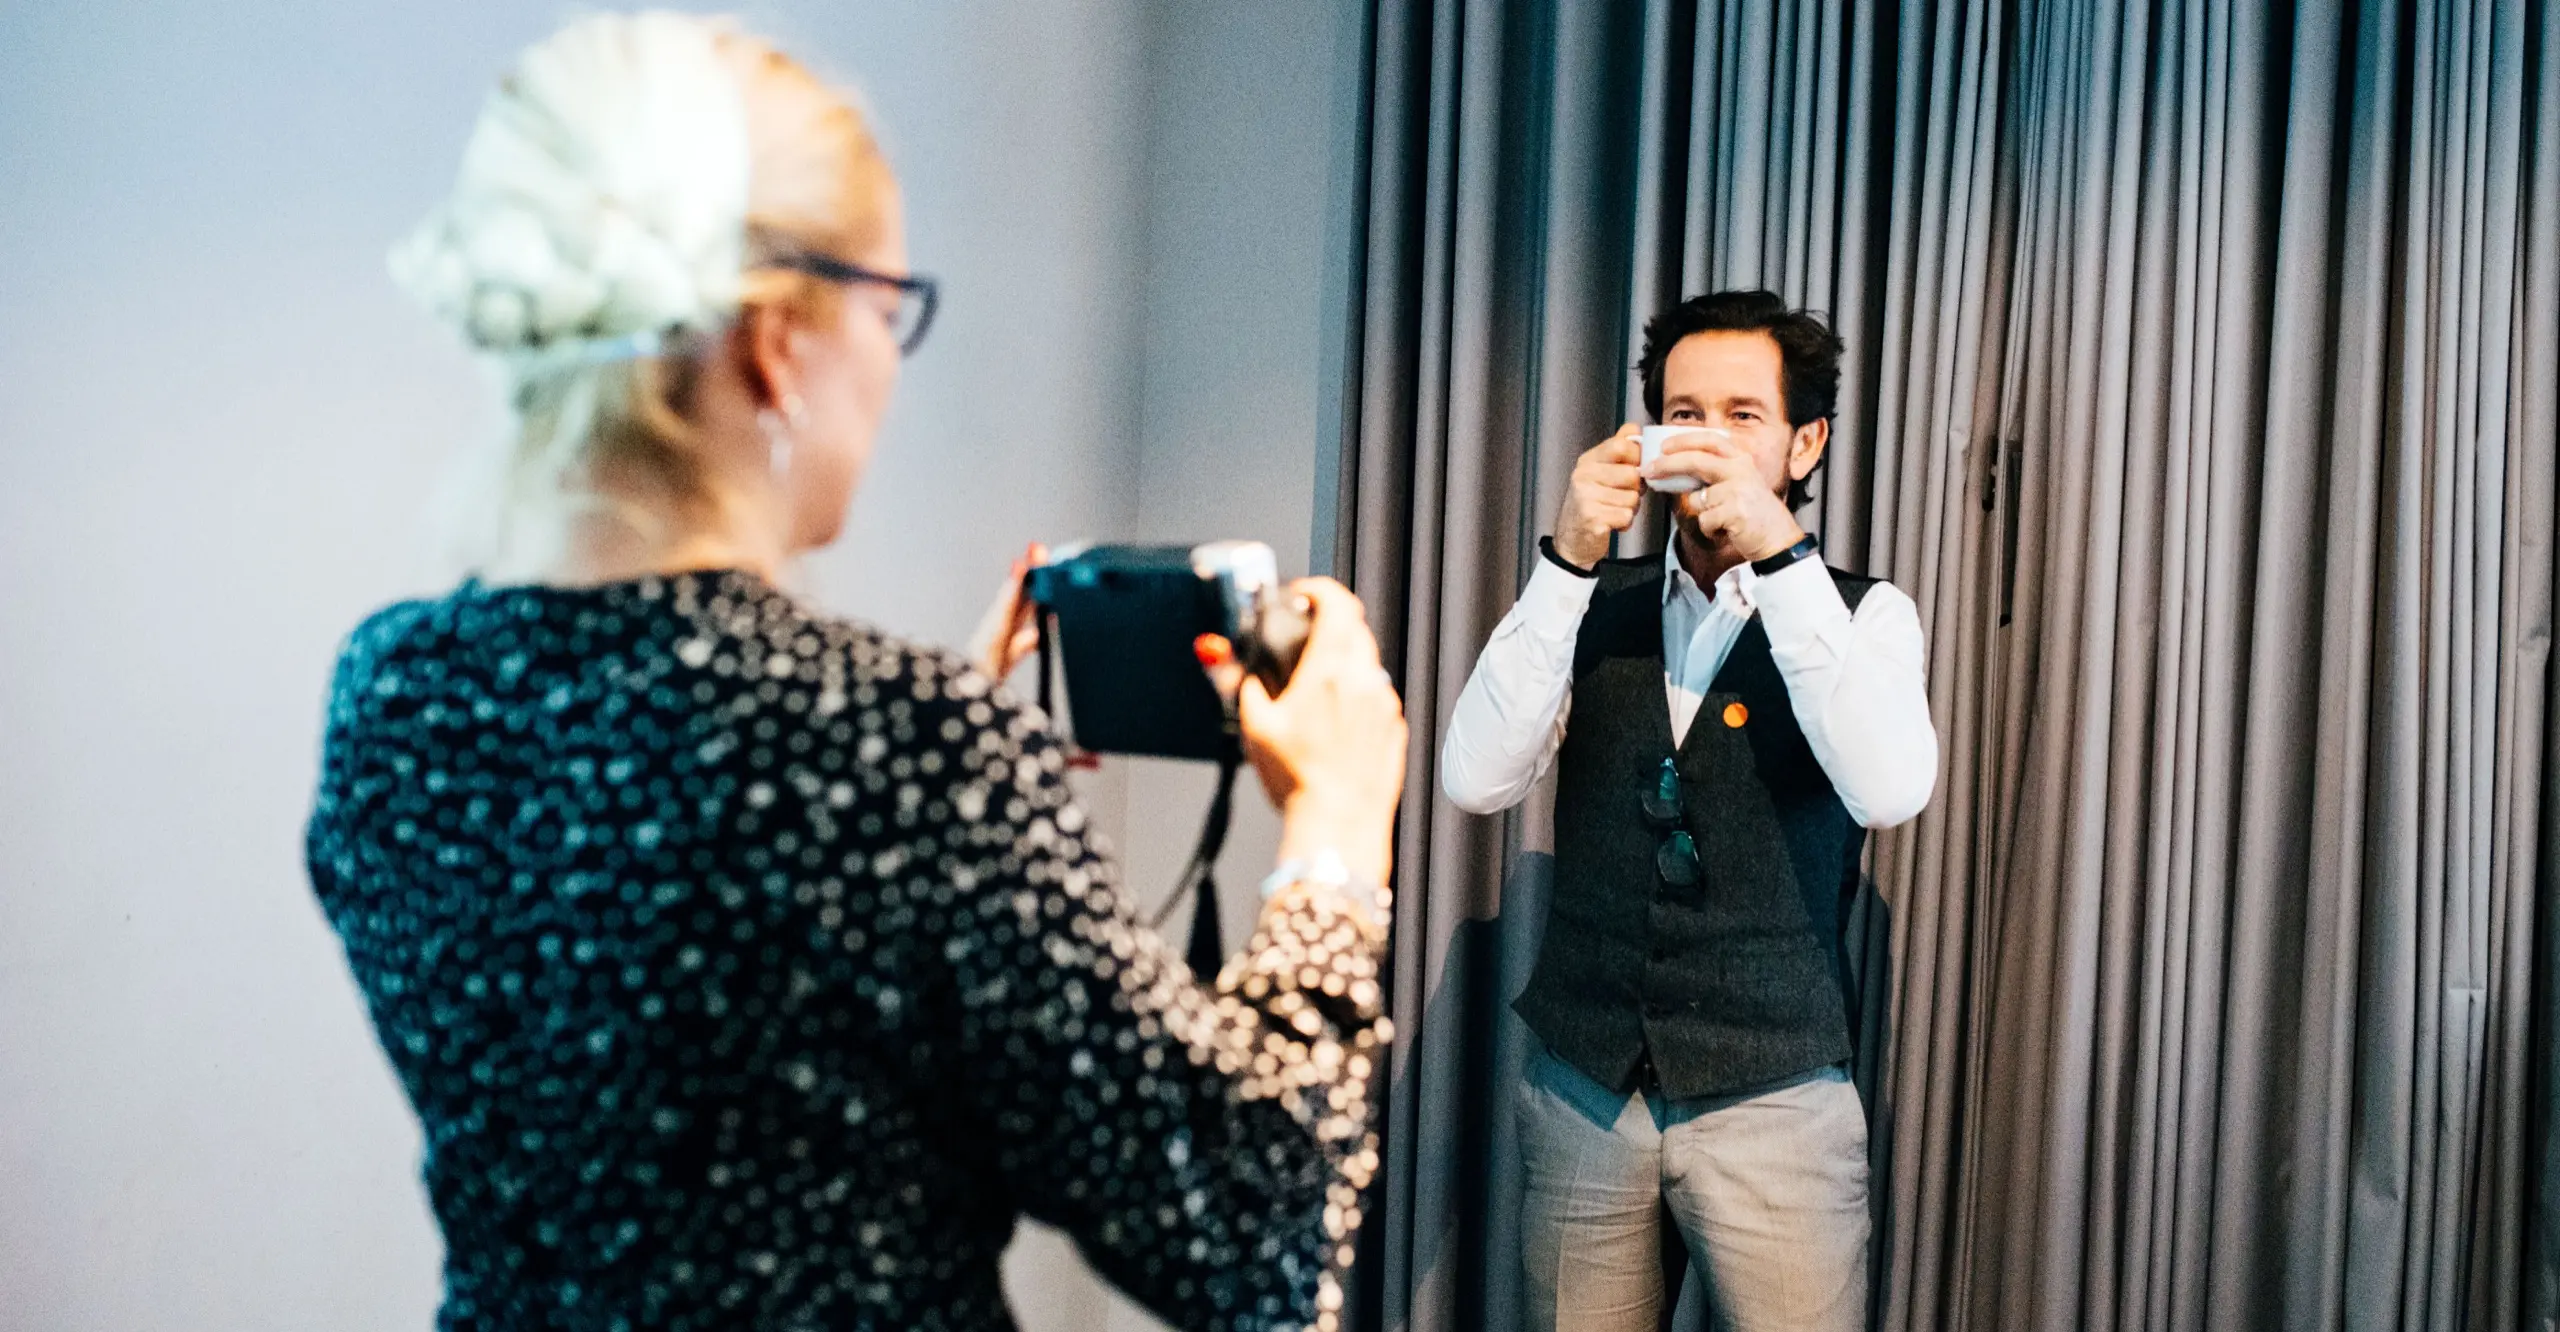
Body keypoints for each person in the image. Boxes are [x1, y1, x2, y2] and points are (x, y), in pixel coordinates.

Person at [303, 14, 1406, 1330]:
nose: (890, 357)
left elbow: (680, 1003)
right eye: (890, 309)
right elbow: (1253, 1250)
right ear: (775, 344)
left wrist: (942, 807)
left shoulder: (395, 693)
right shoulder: (901, 751)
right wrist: (1334, 838)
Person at [1439, 290, 1938, 1331]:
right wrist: (1566, 559)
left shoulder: (1863, 613)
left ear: (1806, 444)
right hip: (1585, 1092)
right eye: (1684, 411)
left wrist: (1780, 557)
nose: (1705, 439)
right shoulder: (1587, 602)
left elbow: (1890, 790)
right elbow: (1473, 779)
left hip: (1776, 1098)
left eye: (1741, 416)